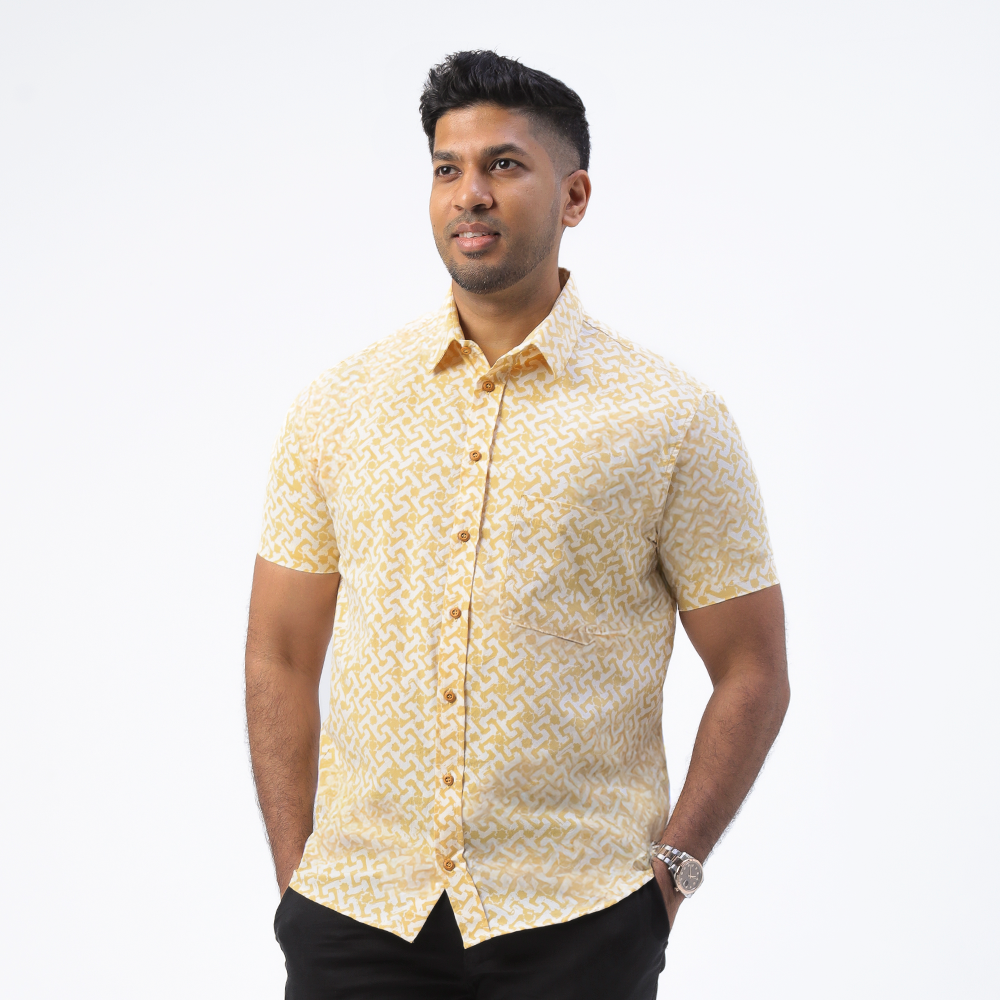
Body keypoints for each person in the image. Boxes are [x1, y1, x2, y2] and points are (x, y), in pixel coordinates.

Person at [245, 49, 789, 1000]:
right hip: (356, 913)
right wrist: (299, 880)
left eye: (504, 165)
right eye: (447, 169)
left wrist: (671, 878)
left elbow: (753, 671)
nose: (470, 195)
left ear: (574, 195)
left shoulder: (670, 419)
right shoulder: (338, 408)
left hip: (577, 920)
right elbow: (279, 655)